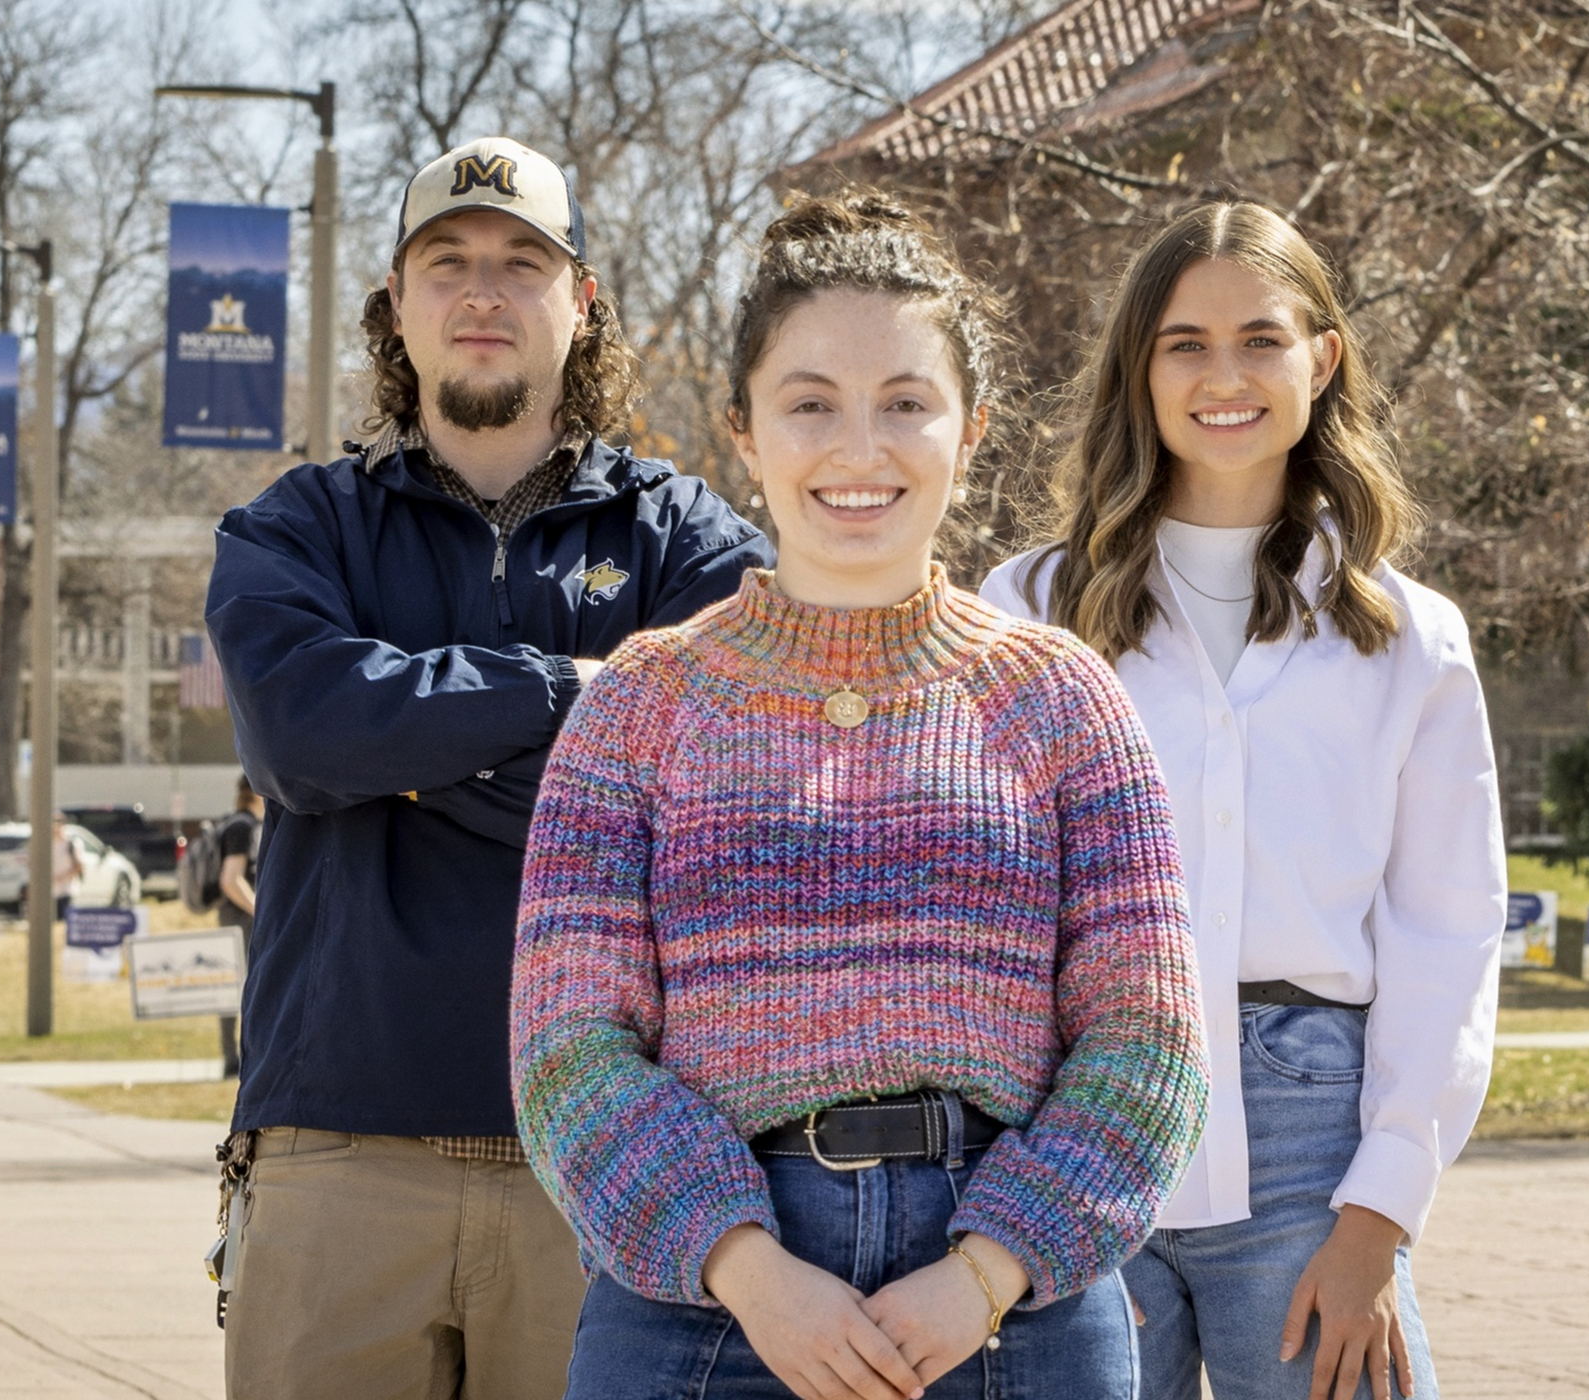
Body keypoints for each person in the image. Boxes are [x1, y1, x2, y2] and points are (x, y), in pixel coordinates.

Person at [511, 192, 1209, 1400]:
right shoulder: (640, 704)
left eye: (906, 403)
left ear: (972, 426)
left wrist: (984, 1272)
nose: (859, 448)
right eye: (811, 403)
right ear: (742, 429)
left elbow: (1148, 1040)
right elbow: (568, 1048)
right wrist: (749, 1270)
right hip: (705, 1302)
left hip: (1015, 1301)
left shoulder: (1062, 698)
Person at [205, 135, 773, 1397]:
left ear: (579, 305)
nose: (482, 290)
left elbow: (702, 788)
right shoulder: (296, 528)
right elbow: (300, 736)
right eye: (446, 261)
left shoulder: (691, 544)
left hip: (619, 1155)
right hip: (336, 1145)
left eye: (523, 262)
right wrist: (571, 692)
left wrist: (402, 753)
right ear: (396, 308)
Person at [981, 201, 1505, 1400]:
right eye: (1184, 342)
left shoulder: (1410, 638)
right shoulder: (1026, 611)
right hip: (1071, 1130)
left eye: (1261, 338)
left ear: (1321, 358)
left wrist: (1383, 1206)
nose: (1226, 375)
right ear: (1139, 368)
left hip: (1311, 1148)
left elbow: (1449, 929)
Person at [214, 775, 263, 1078]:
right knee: (238, 990)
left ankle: (238, 1058)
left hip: (236, 917)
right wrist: (261, 911)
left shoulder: (240, 823)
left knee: (236, 989)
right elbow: (231, 880)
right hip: (239, 918)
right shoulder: (242, 826)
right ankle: (234, 1059)